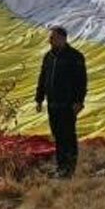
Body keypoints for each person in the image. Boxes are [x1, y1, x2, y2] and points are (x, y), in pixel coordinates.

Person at [34, 26, 87, 178]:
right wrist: (39, 99)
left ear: (63, 38)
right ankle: (60, 166)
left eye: (53, 37)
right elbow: (42, 78)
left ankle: (69, 169)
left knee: (68, 136)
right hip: (53, 104)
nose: (49, 40)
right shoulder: (48, 57)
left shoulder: (75, 57)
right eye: (50, 38)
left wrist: (79, 101)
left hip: (68, 105)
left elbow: (81, 82)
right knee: (57, 135)